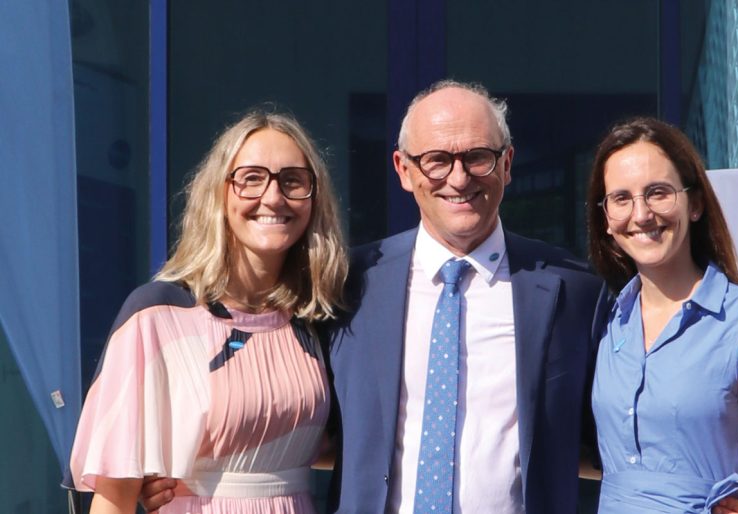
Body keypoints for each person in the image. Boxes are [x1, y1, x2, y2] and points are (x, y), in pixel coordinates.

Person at [322, 80, 607, 513]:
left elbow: (622, 431)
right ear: (404, 169)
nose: (458, 178)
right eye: (436, 160)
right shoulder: (349, 284)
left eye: (478, 156)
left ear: (507, 164)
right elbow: (298, 421)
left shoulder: (575, 289)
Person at [69, 109, 348, 513]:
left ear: (314, 197)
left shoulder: (314, 319)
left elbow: (321, 445)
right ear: (219, 193)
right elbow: (113, 499)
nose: (273, 197)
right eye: (251, 178)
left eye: (292, 181)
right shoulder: (158, 316)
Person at [586, 117, 738, 513]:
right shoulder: (606, 322)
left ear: (695, 203)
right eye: (621, 198)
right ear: (606, 220)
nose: (642, 214)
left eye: (658, 193)